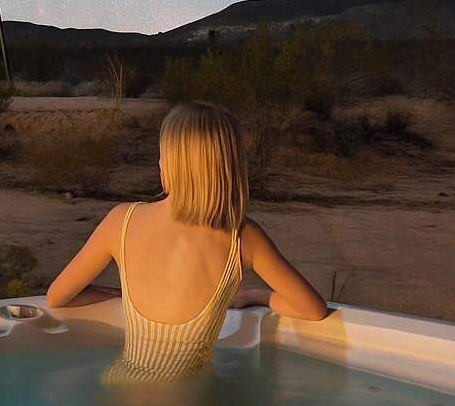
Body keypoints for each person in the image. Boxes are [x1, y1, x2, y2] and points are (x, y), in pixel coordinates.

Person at [45, 101, 328, 382]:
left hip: (120, 383)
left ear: (167, 164)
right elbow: (312, 310)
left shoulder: (121, 219)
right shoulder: (243, 239)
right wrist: (258, 295)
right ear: (230, 169)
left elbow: (58, 298)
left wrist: (122, 296)